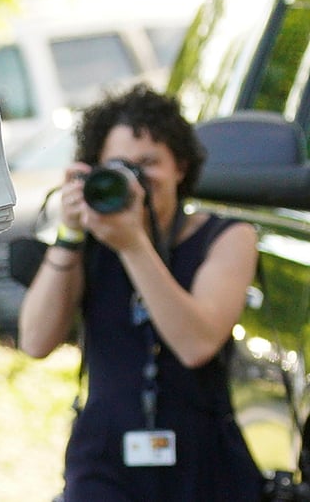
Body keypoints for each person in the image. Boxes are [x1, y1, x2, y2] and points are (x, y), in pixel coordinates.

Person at [17, 84, 263, 501]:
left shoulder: (227, 237)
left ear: (181, 166)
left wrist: (133, 244)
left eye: (149, 164)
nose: (135, 179)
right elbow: (36, 341)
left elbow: (196, 343)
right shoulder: (92, 240)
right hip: (105, 460)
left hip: (204, 462)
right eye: (119, 166)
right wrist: (69, 234)